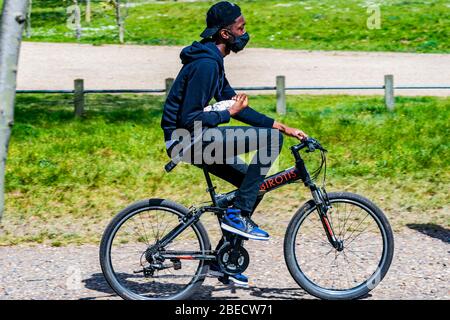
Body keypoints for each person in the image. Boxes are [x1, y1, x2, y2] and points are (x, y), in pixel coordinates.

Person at [161, 1, 307, 286]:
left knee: (253, 187)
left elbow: (232, 101)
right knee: (268, 144)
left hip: (196, 138)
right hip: (187, 140)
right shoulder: (205, 65)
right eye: (241, 28)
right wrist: (229, 113)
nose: (245, 32)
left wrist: (281, 125)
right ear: (225, 34)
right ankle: (237, 215)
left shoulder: (213, 62)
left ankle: (221, 261)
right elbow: (191, 118)